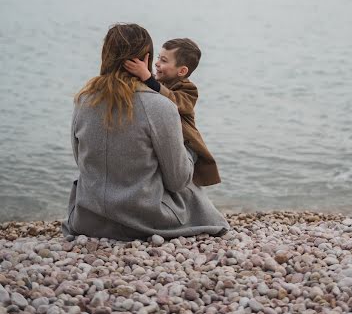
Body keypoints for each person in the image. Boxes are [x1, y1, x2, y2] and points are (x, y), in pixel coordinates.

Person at [62, 23, 228, 240]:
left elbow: (80, 160)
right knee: (191, 190)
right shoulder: (161, 106)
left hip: (88, 217)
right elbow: (177, 181)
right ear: (146, 58)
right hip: (144, 218)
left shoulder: (83, 100)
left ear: (106, 56)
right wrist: (191, 152)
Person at [124, 38, 221, 187]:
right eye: (158, 58)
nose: (157, 63)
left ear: (181, 71)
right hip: (167, 142)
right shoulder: (157, 82)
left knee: (177, 180)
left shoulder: (188, 90)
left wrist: (148, 77)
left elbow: (172, 101)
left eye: (163, 60)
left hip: (186, 145)